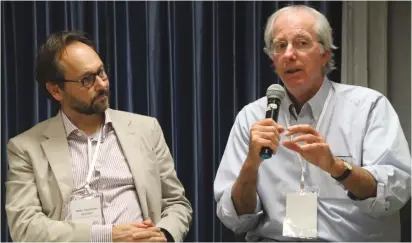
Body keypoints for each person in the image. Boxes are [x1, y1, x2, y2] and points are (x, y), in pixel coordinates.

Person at [214, 5, 411, 242]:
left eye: (301, 43)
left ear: (325, 53)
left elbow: (395, 191)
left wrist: (337, 168)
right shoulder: (251, 117)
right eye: (280, 46)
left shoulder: (368, 106)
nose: (289, 54)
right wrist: (251, 165)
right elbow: (235, 218)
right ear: (273, 59)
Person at [5, 30, 192, 242]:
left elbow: (176, 203)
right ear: (56, 90)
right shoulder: (25, 148)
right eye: (87, 79)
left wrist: (163, 235)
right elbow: (25, 227)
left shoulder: (146, 129)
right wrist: (107, 236)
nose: (102, 84)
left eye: (101, 72)